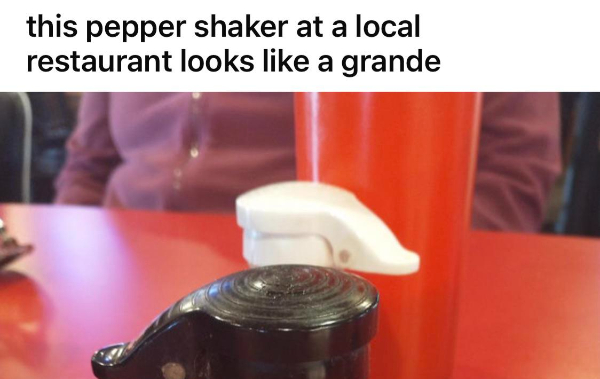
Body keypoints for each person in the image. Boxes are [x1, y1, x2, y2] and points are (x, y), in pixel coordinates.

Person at [55, 92, 561, 232]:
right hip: (124, 277)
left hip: (310, 286)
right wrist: (72, 247)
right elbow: (89, 164)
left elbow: (512, 166)